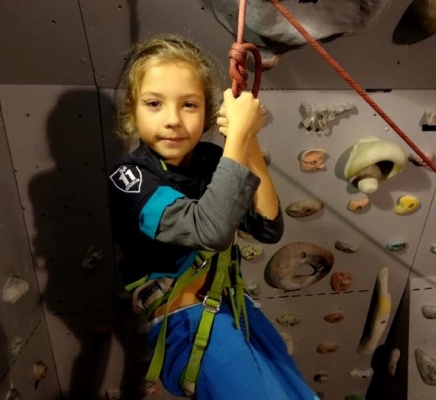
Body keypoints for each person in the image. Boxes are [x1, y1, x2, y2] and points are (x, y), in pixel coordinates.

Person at [108, 34, 318, 400]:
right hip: (185, 322)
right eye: (154, 103)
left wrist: (248, 140)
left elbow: (268, 227)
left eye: (189, 105)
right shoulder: (131, 178)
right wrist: (237, 137)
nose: (172, 120)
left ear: (207, 111)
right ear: (132, 107)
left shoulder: (208, 160)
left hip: (232, 306)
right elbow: (210, 231)